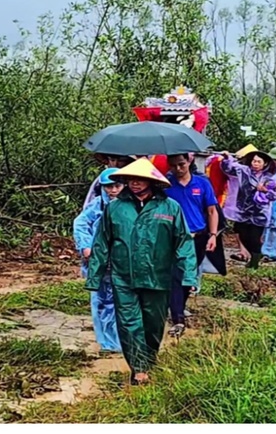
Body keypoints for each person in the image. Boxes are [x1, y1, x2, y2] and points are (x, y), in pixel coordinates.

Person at [86, 159, 197, 385]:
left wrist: (189, 276)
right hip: (123, 277)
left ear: (151, 181)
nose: (134, 184)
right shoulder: (115, 208)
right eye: (130, 180)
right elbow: (101, 243)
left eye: (139, 179)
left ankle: (148, 360)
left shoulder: (170, 208)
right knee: (128, 323)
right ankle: (138, 369)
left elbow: (184, 243)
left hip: (158, 276)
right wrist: (94, 276)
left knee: (153, 324)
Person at [164, 153, 224, 337]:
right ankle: (178, 318)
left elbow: (212, 211)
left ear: (189, 162)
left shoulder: (202, 183)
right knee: (175, 275)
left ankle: (178, 307)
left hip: (197, 236)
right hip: (174, 238)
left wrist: (213, 235)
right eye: (174, 166)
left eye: (181, 164)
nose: (178, 169)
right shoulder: (165, 184)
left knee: (189, 275)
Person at [73, 168, 124, 353]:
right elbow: (80, 224)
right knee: (102, 301)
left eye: (117, 185)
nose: (113, 190)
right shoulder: (96, 206)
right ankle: (107, 342)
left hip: (124, 263)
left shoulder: (131, 206)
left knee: (124, 302)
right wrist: (86, 247)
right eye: (108, 186)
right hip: (100, 261)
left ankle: (124, 340)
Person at [219, 150, 276, 269]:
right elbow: (228, 169)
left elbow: (274, 195)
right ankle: (255, 256)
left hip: (259, 213)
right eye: (254, 161)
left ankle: (254, 262)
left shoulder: (269, 179)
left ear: (264, 164)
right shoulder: (243, 171)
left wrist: (264, 191)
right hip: (243, 210)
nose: (255, 164)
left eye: (258, 162)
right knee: (242, 234)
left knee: (254, 237)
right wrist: (227, 158)